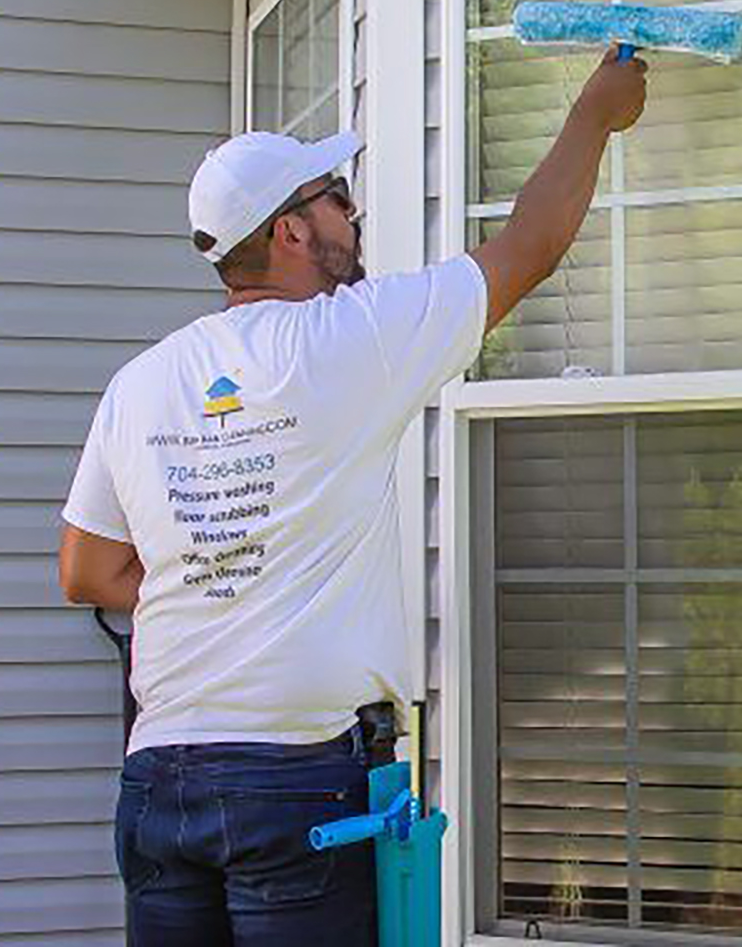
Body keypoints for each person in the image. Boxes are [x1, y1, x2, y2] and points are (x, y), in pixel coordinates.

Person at [57, 49, 647, 946]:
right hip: (293, 788)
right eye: (337, 197)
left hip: (158, 784)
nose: (353, 213)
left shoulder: (140, 383)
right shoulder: (344, 341)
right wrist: (595, 115)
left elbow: (87, 570)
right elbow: (527, 249)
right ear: (290, 230)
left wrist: (224, 575)